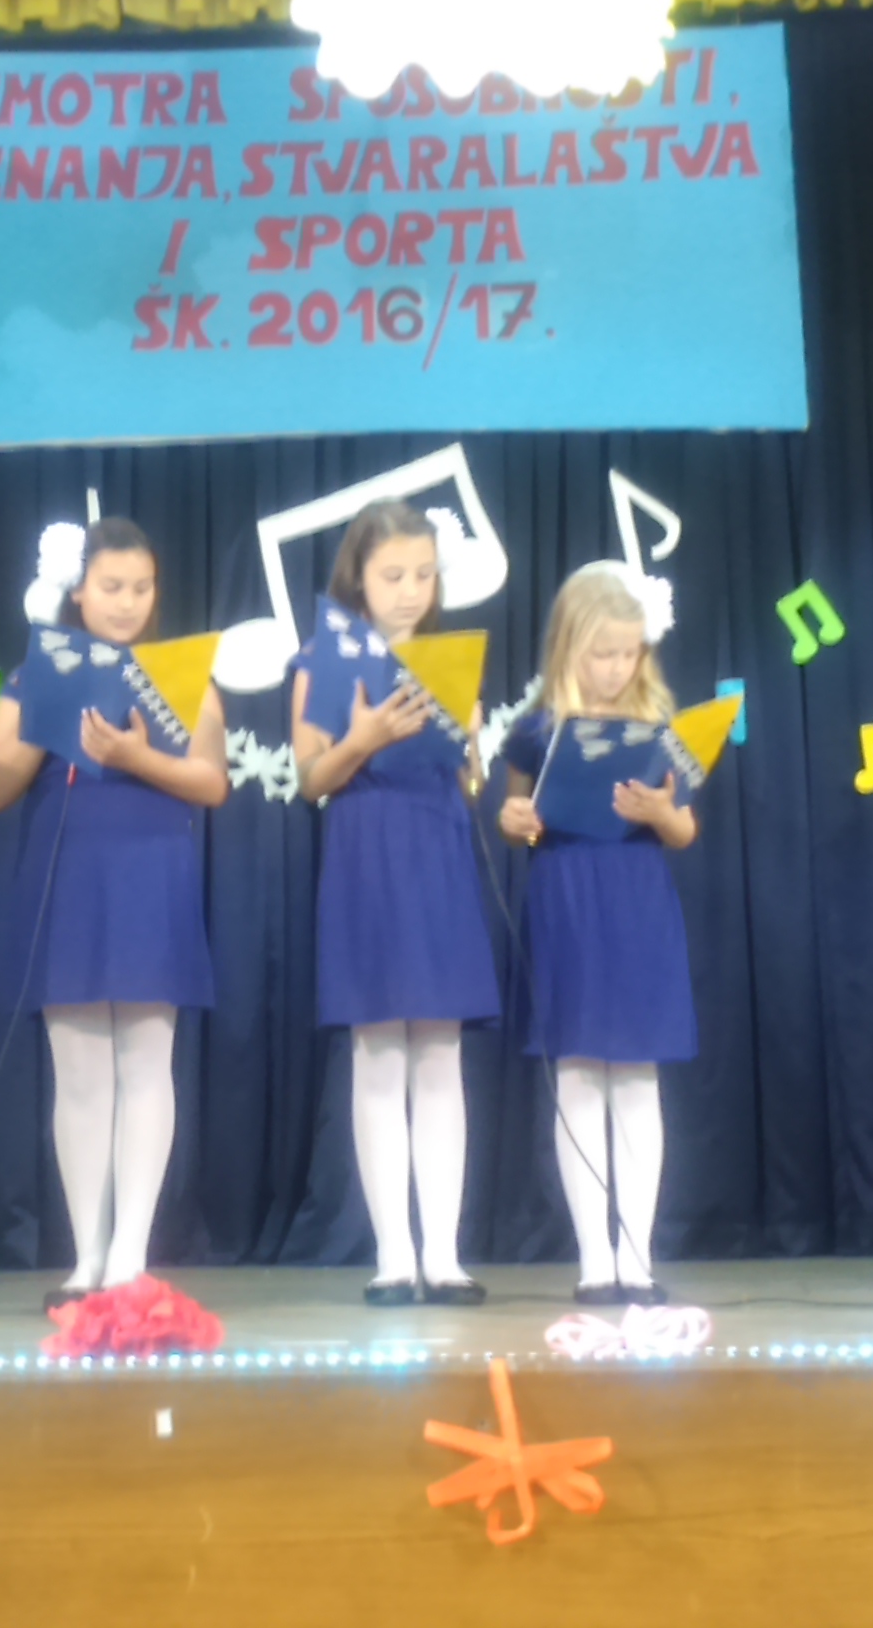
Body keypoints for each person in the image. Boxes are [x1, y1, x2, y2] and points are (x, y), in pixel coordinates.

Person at [0, 517, 229, 1308]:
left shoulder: (178, 674)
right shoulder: (32, 676)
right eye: (112, 587)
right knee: (81, 1073)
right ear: (78, 591)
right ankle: (87, 1255)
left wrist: (134, 757)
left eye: (141, 587)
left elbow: (212, 782)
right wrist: (56, 718)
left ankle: (130, 1256)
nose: (127, 602)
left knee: (147, 1064)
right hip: (70, 873)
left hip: (152, 871)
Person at [291, 500, 499, 1307]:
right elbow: (312, 778)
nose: (411, 590)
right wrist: (363, 739)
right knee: (378, 1052)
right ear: (359, 579)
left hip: (437, 846)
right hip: (366, 850)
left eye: (424, 574)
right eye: (393, 575)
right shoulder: (322, 660)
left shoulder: (448, 660)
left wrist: (470, 738)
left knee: (440, 1053)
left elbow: (471, 781)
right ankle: (393, 1255)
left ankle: (443, 1254)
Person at [494, 562, 699, 1306]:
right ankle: (595, 1262)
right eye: (601, 653)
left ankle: (636, 1258)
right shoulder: (537, 729)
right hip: (568, 899)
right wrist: (516, 821)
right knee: (579, 1074)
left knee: (637, 1077)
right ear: (568, 649)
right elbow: (517, 819)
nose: (615, 668)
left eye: (628, 654)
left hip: (637, 902)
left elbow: (683, 830)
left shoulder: (661, 730)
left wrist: (659, 813)